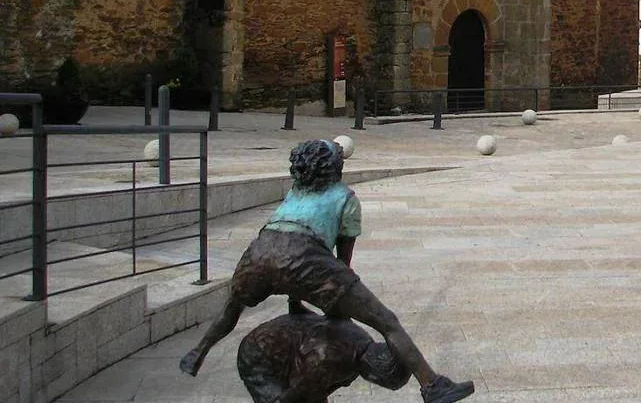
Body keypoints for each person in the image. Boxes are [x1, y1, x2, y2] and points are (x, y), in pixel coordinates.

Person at [180, 139, 473, 403]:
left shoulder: (294, 192)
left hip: (258, 251)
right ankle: (432, 385)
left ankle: (198, 352)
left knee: (233, 308)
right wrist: (338, 309)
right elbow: (341, 266)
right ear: (335, 167)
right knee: (388, 323)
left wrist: (297, 304)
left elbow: (282, 259)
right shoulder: (345, 198)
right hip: (305, 256)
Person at [237, 307, 410, 403]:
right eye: (379, 382)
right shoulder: (326, 362)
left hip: (288, 347)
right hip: (259, 356)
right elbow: (294, 395)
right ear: (375, 374)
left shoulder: (363, 342)